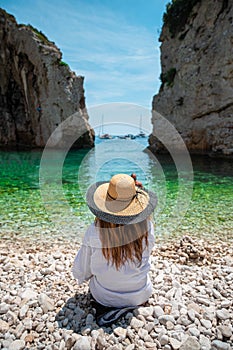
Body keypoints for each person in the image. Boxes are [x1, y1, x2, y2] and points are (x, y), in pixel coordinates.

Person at [72, 173, 157, 325]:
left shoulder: (95, 231)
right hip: (140, 294)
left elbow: (81, 270)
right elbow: (148, 252)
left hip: (104, 296)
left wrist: (86, 276)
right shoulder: (147, 227)